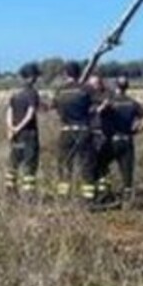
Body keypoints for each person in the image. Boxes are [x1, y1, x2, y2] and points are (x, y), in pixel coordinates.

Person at [101, 76, 143, 203]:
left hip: (111, 141)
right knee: (127, 173)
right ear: (127, 87)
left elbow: (98, 115)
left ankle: (106, 194)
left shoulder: (109, 102)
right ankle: (127, 201)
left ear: (115, 86)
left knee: (102, 167)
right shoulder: (132, 103)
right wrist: (138, 129)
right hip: (127, 141)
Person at [50, 61, 94, 200]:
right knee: (86, 166)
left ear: (65, 74)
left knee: (64, 165)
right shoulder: (87, 89)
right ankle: (89, 201)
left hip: (66, 131)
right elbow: (98, 105)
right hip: (83, 131)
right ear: (79, 73)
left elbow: (53, 106)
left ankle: (63, 199)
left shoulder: (59, 91)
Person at [5, 63, 42, 196]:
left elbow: (9, 112)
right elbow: (31, 113)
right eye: (36, 76)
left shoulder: (15, 95)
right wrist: (20, 127)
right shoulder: (32, 93)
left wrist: (12, 128)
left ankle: (10, 192)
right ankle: (29, 195)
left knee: (13, 163)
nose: (37, 79)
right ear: (31, 77)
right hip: (28, 134)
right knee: (29, 164)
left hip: (16, 135)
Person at [86, 73, 114, 199]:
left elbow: (111, 105)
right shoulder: (85, 97)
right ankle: (92, 194)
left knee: (104, 165)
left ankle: (104, 193)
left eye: (97, 83)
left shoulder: (107, 95)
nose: (95, 86)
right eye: (92, 84)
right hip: (90, 134)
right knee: (91, 165)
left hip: (104, 134)